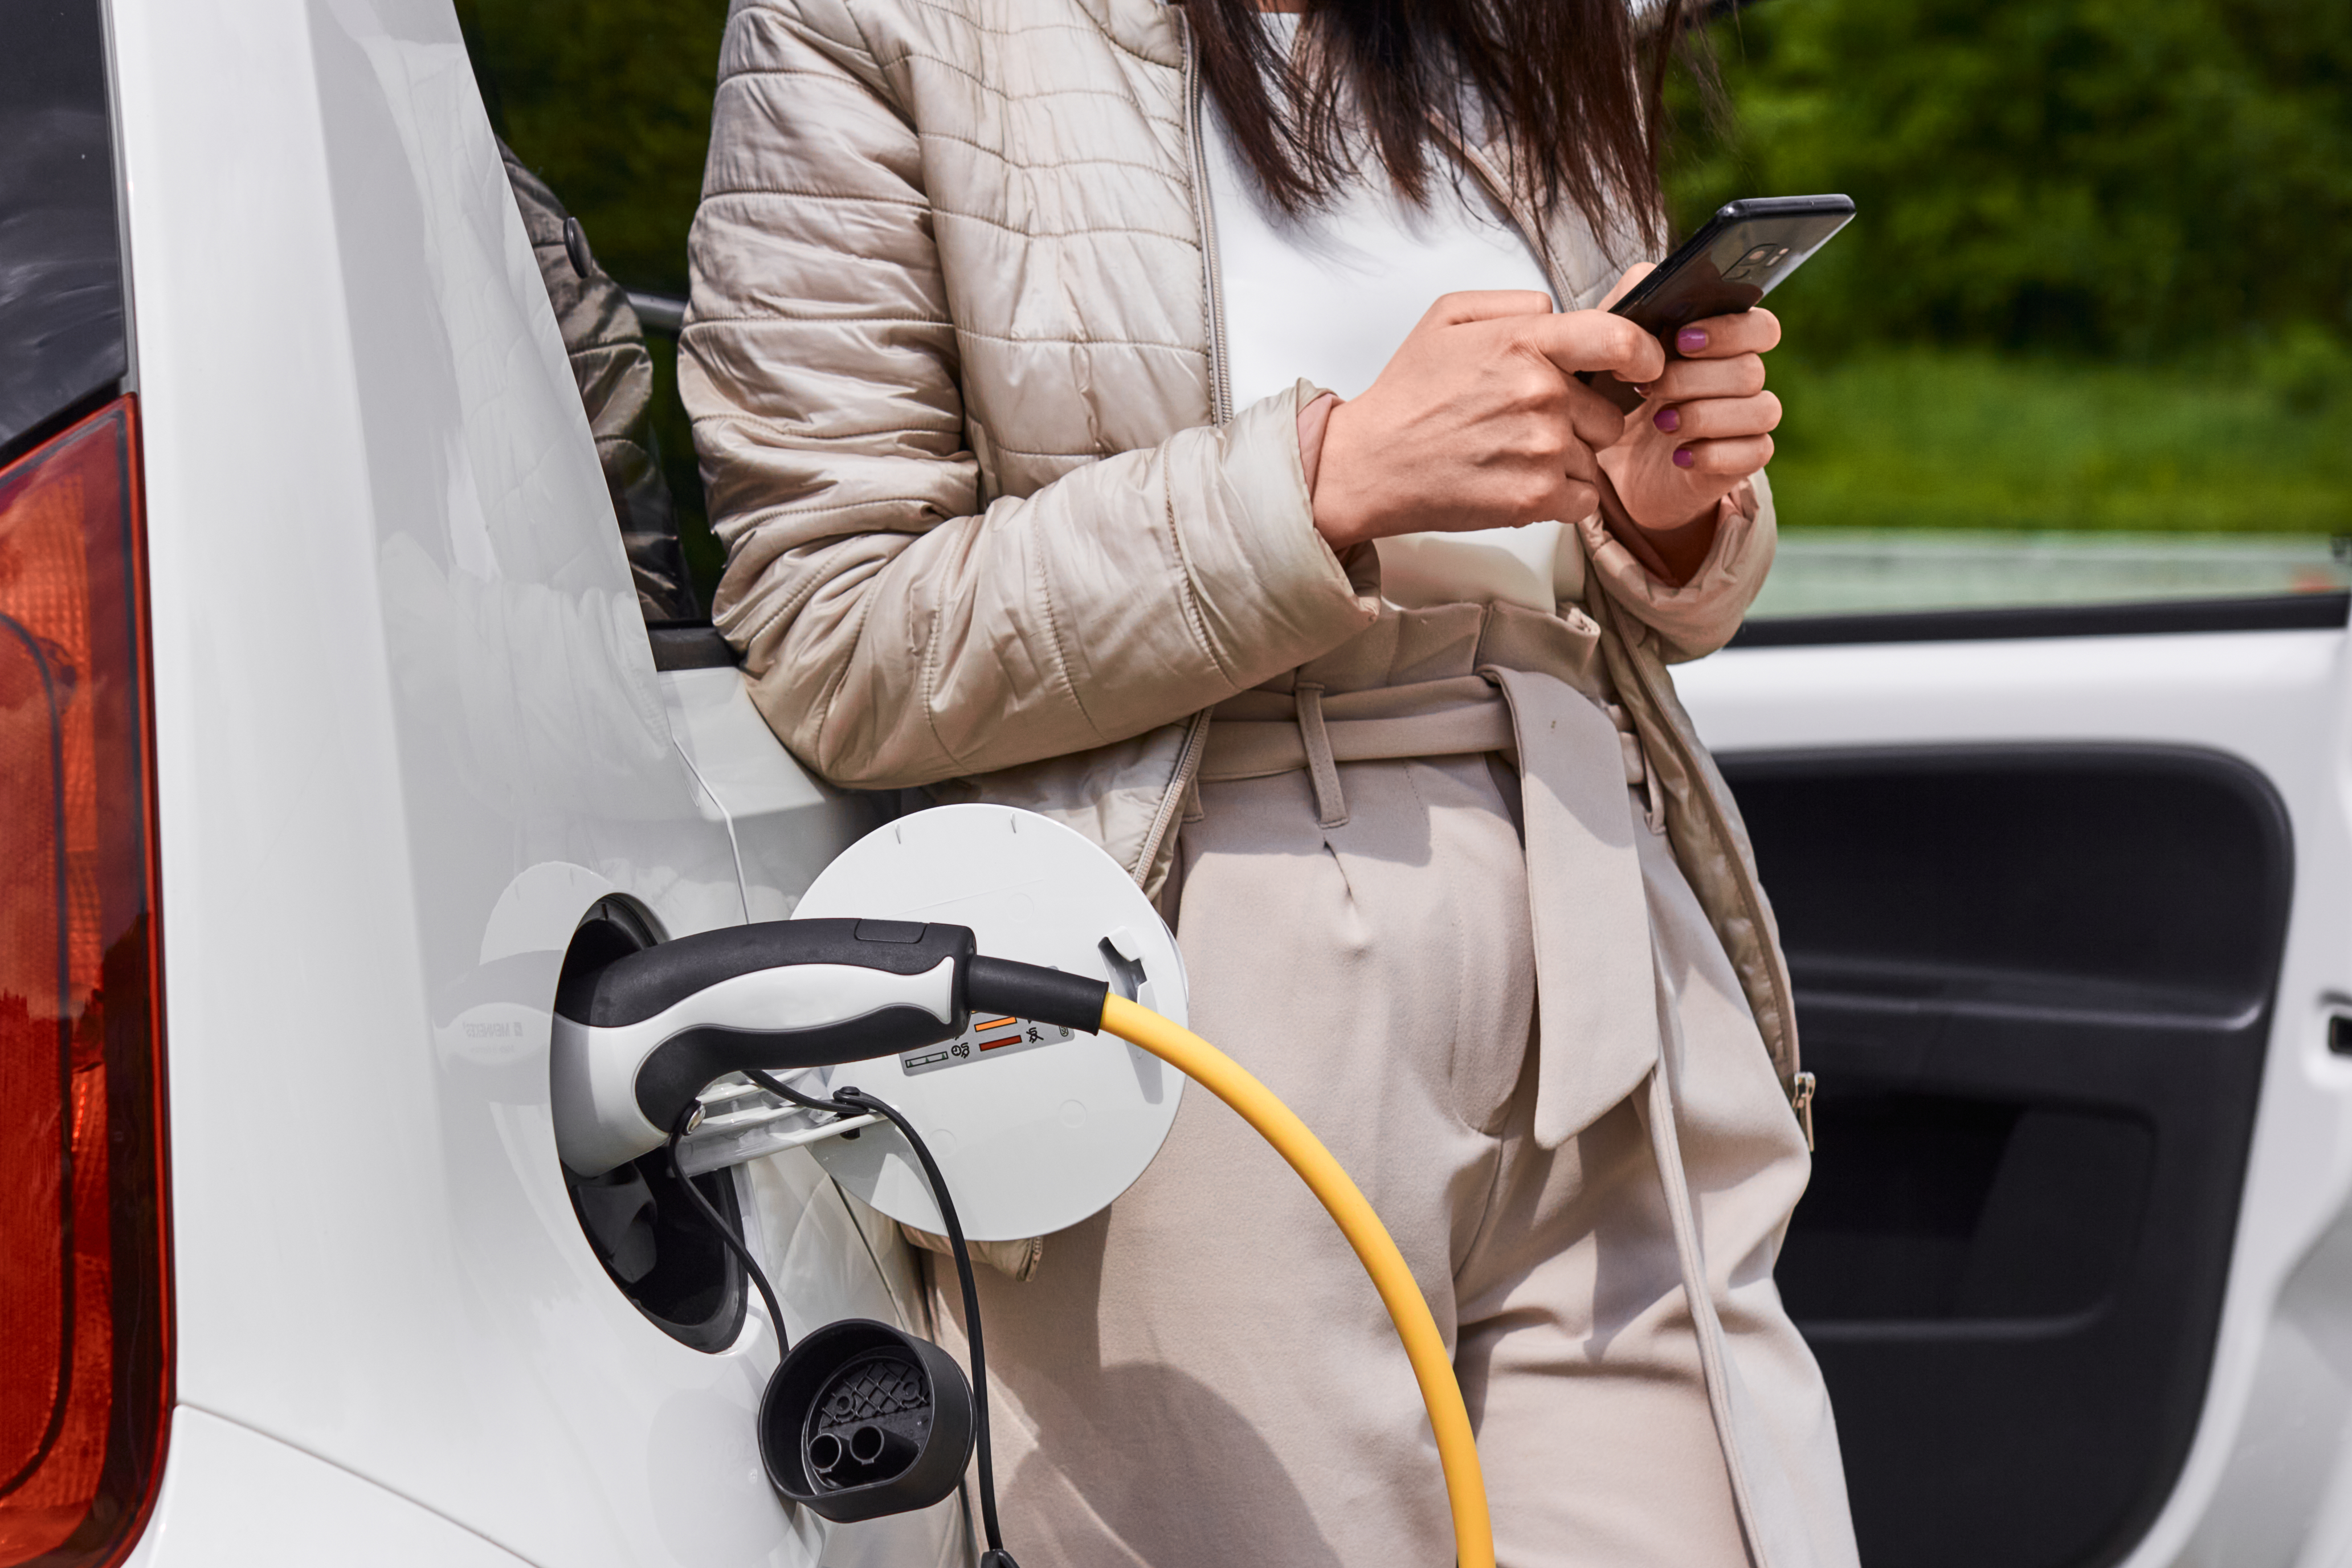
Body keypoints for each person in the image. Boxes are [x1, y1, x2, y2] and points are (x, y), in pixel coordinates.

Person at [682, 0, 1859, 1562]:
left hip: (1599, 901)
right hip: (1200, 950)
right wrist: (1328, 480)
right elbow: (835, 635)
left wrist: (1660, 515)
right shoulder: (881, 21)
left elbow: (1591, 537)